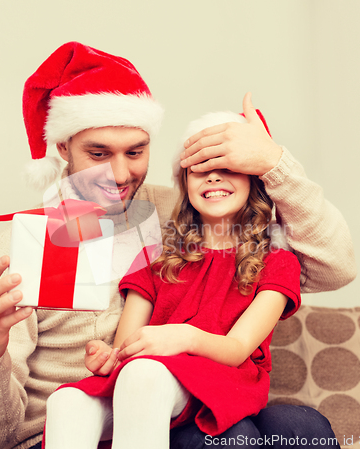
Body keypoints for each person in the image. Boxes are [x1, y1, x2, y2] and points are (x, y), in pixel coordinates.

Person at [0, 41, 354, 449]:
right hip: (73, 425)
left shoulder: (178, 215)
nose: (120, 174)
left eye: (135, 152)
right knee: (233, 435)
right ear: (61, 147)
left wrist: (273, 163)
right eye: (98, 153)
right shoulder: (21, 246)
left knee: (304, 430)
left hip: (176, 400)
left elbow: (332, 267)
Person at [42, 109, 302, 449]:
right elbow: (126, 349)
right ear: (184, 182)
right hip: (145, 379)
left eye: (227, 169)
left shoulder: (276, 262)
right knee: (67, 401)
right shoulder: (159, 260)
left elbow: (237, 350)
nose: (212, 178)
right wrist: (108, 357)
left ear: (254, 181)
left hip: (220, 379)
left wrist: (183, 337)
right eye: (200, 171)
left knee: (143, 374)